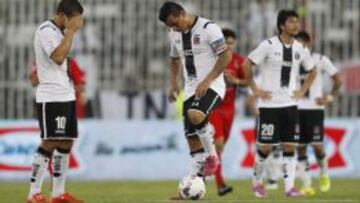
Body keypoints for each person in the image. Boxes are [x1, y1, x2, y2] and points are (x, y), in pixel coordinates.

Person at [158, 1, 231, 199]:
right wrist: (173, 84)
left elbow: (226, 56)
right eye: (170, 27)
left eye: (175, 23)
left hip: (213, 86)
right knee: (192, 140)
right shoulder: (174, 34)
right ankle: (189, 188)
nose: (174, 28)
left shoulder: (208, 28)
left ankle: (212, 156)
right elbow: (174, 59)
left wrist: (208, 80)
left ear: (182, 13)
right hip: (190, 89)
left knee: (196, 114)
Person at [243, 9, 317, 197]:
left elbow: (313, 70)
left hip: (290, 105)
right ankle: (257, 182)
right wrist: (255, 89)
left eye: (297, 21)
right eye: (292, 22)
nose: (296, 25)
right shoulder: (268, 45)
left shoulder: (301, 48)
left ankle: (290, 188)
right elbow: (246, 64)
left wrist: (302, 90)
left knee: (290, 145)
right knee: (266, 148)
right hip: (269, 107)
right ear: (282, 25)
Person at [27, 0, 84, 202]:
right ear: (62, 15)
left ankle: (58, 193)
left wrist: (68, 32)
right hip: (51, 97)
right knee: (50, 141)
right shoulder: (46, 30)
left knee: (67, 141)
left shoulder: (60, 32)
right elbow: (58, 57)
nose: (77, 25)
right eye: (75, 20)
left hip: (66, 95)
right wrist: (70, 32)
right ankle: (33, 193)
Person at [294, 31, 342, 196]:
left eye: (300, 44)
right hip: (296, 109)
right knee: (300, 148)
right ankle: (307, 184)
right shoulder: (290, 62)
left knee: (317, 146)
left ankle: (324, 172)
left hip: (314, 109)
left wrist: (329, 97)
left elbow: (338, 79)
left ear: (308, 44)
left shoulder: (320, 59)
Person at [208, 28, 246, 196]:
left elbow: (248, 82)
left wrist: (237, 80)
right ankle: (220, 183)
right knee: (219, 144)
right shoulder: (212, 60)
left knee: (219, 150)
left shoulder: (239, 61)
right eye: (226, 43)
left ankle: (206, 174)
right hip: (215, 107)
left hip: (230, 110)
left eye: (231, 43)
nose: (229, 46)